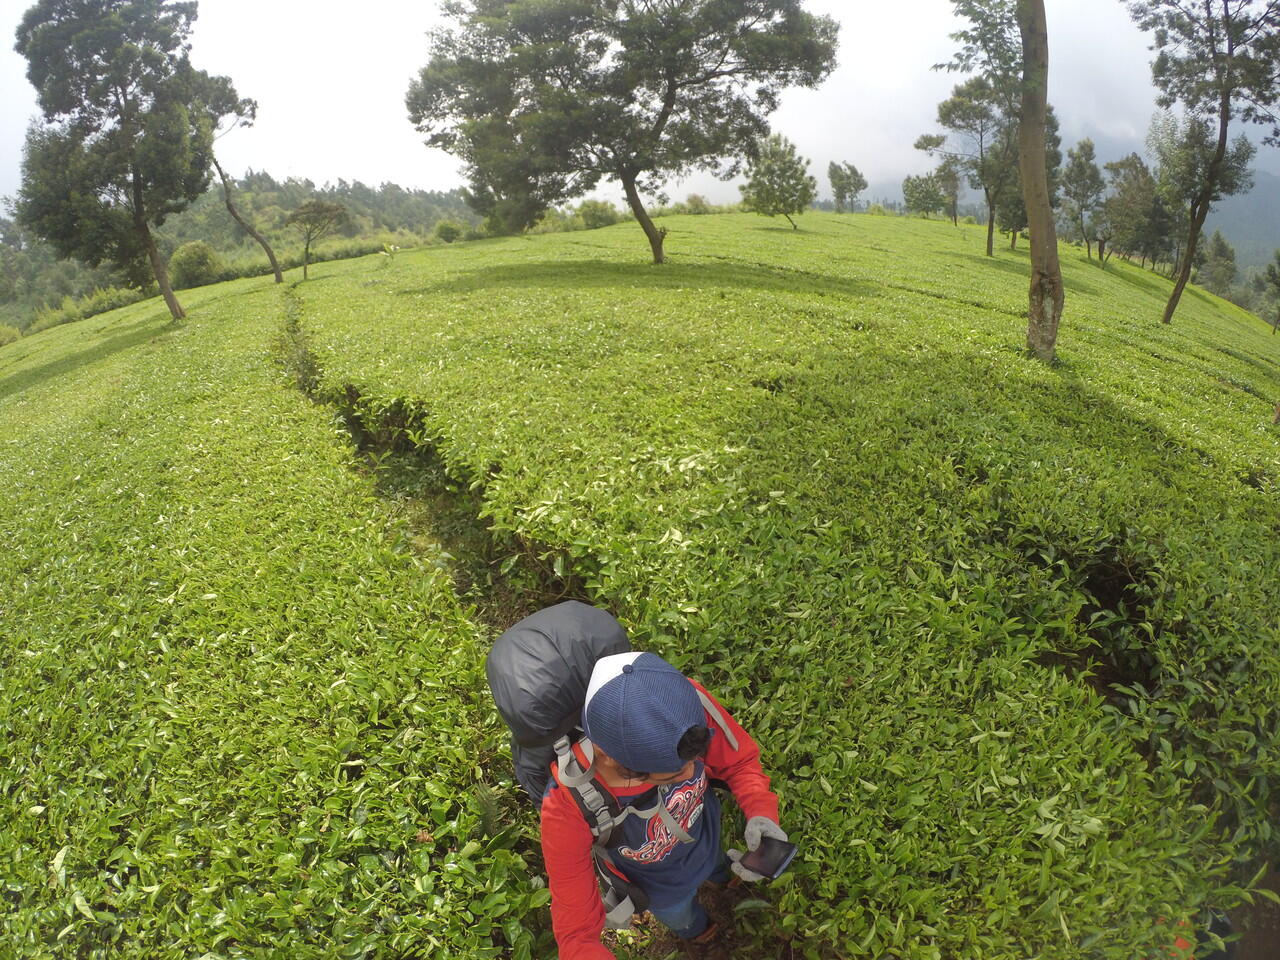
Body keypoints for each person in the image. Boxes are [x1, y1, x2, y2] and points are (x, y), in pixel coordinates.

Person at [538, 650, 787, 958]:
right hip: (661, 889)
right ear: (609, 758)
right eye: (671, 775)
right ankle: (700, 934)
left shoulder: (683, 705)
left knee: (719, 865)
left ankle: (725, 881)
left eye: (694, 761)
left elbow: (739, 762)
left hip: (706, 837)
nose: (694, 770)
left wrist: (761, 812)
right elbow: (574, 920)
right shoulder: (566, 806)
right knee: (682, 917)